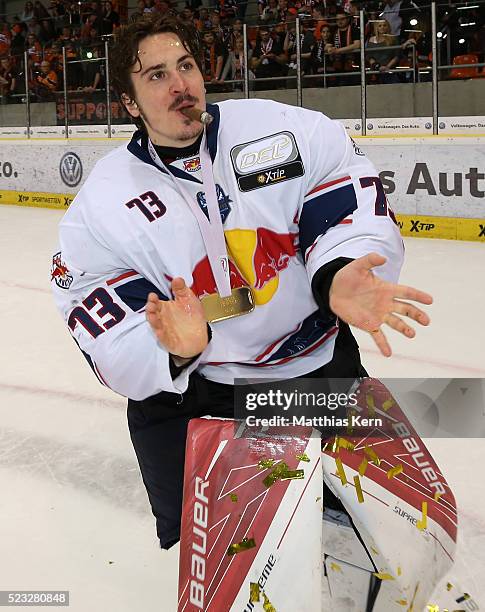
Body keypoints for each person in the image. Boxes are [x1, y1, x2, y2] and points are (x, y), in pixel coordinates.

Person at [52, 13, 433, 551]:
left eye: (185, 65)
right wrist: (170, 350)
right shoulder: (105, 201)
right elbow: (91, 298)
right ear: (130, 103)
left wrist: (340, 270)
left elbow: (344, 194)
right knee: (239, 556)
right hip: (210, 396)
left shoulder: (280, 129)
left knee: (366, 531)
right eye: (156, 75)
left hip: (313, 371)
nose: (180, 84)